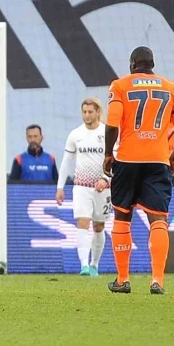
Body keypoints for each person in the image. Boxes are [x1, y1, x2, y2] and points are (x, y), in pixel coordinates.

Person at [103, 46, 174, 295]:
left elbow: (111, 125)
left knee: (122, 217)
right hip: (158, 161)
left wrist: (109, 154)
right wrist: (173, 158)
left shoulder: (120, 85)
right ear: (152, 64)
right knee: (158, 220)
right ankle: (157, 281)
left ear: (132, 64)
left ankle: (123, 279)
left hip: (128, 160)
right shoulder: (170, 88)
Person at [55, 98, 112, 277]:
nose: (87, 115)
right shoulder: (75, 134)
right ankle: (84, 266)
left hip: (103, 187)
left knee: (99, 226)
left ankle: (95, 264)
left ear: (98, 113)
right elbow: (66, 162)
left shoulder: (107, 133)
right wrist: (60, 187)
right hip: (81, 186)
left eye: (90, 112)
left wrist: (105, 178)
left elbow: (115, 160)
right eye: (84, 112)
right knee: (82, 222)